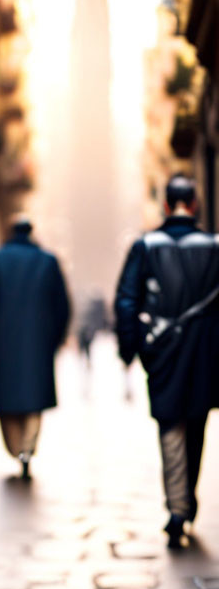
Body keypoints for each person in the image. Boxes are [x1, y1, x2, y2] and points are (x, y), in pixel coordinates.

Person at [114, 174, 219, 549]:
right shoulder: (214, 246)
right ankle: (184, 502)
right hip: (206, 355)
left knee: (170, 426)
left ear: (165, 204)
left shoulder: (145, 246)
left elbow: (126, 300)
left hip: (164, 354)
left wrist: (132, 349)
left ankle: (177, 506)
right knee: (196, 428)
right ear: (193, 204)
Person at [0, 216, 70, 480]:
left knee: (8, 402)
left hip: (5, 342)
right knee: (34, 400)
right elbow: (62, 306)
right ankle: (27, 448)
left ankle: (16, 449)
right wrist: (54, 338)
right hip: (39, 342)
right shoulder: (49, 261)